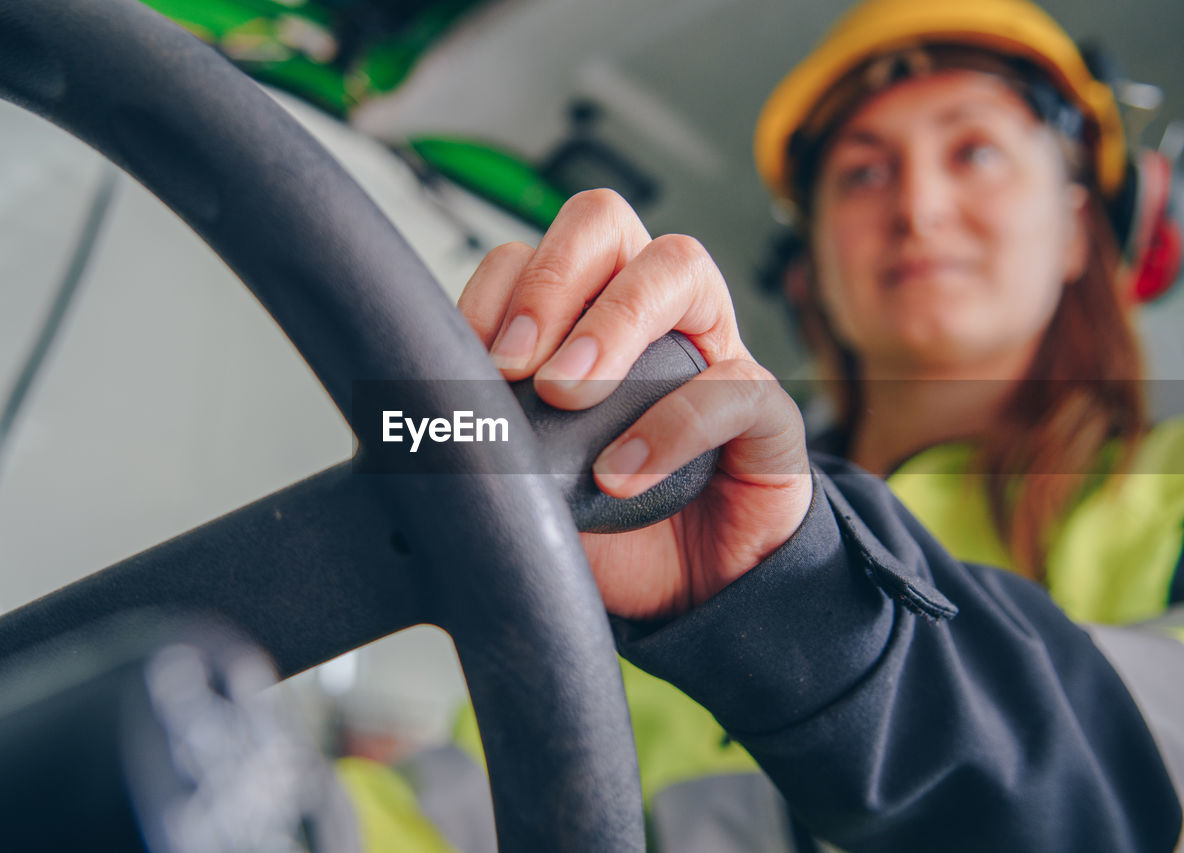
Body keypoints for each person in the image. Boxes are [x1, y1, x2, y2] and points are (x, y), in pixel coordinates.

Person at [335, 0, 1184, 849]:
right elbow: (454, 813)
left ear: (1079, 228)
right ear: (813, 265)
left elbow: (1147, 777)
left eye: (977, 152)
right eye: (863, 172)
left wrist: (800, 597)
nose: (919, 206)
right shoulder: (656, 512)